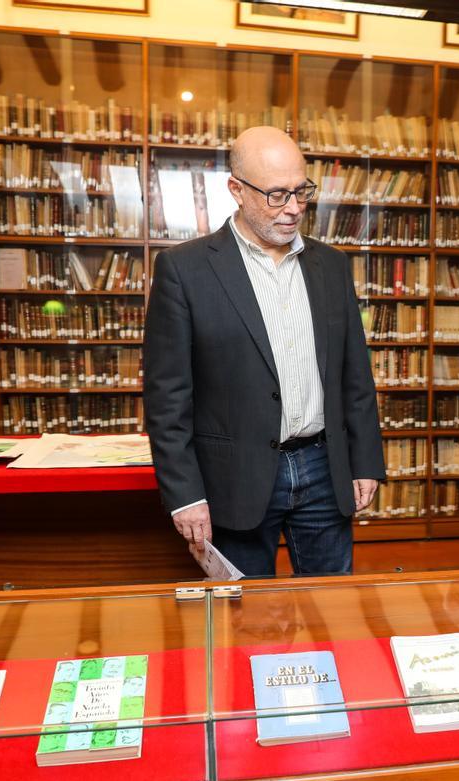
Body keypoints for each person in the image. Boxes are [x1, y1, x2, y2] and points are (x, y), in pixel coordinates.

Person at [144, 126, 384, 577]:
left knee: (331, 612)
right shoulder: (184, 270)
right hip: (234, 478)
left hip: (322, 468)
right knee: (246, 622)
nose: (293, 208)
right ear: (236, 189)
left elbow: (355, 375)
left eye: (301, 192)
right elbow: (167, 400)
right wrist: (186, 495)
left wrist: (365, 462)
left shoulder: (331, 266)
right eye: (277, 195)